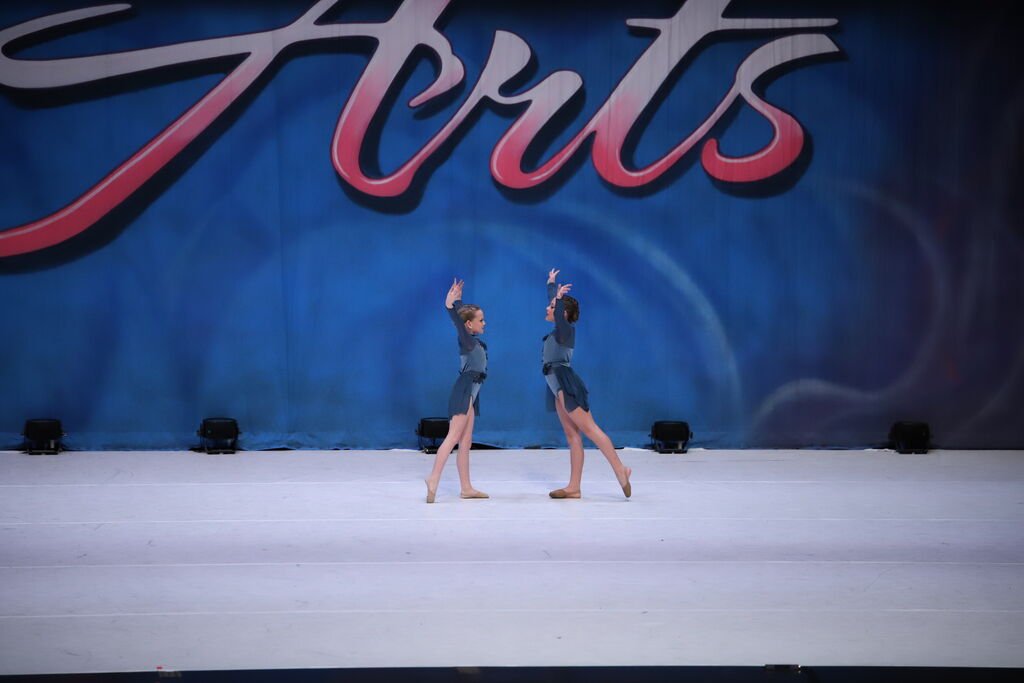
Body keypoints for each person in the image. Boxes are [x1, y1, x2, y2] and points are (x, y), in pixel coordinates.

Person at [542, 268, 631, 499]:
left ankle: (620, 469)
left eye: (552, 306)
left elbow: (558, 311)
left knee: (591, 429)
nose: (547, 308)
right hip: (556, 386)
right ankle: (574, 487)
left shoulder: (565, 331)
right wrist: (551, 285)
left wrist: (557, 297)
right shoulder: (560, 329)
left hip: (565, 384)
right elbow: (556, 307)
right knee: (572, 436)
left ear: (562, 313)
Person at [424, 278, 490, 503]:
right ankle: (433, 478)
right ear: (470, 325)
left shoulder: (472, 340)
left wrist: (459, 301)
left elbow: (463, 320)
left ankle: (466, 487)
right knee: (453, 437)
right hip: (464, 390)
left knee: (466, 441)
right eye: (481, 320)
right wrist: (449, 305)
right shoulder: (468, 341)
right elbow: (459, 323)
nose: (484, 323)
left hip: (472, 392)